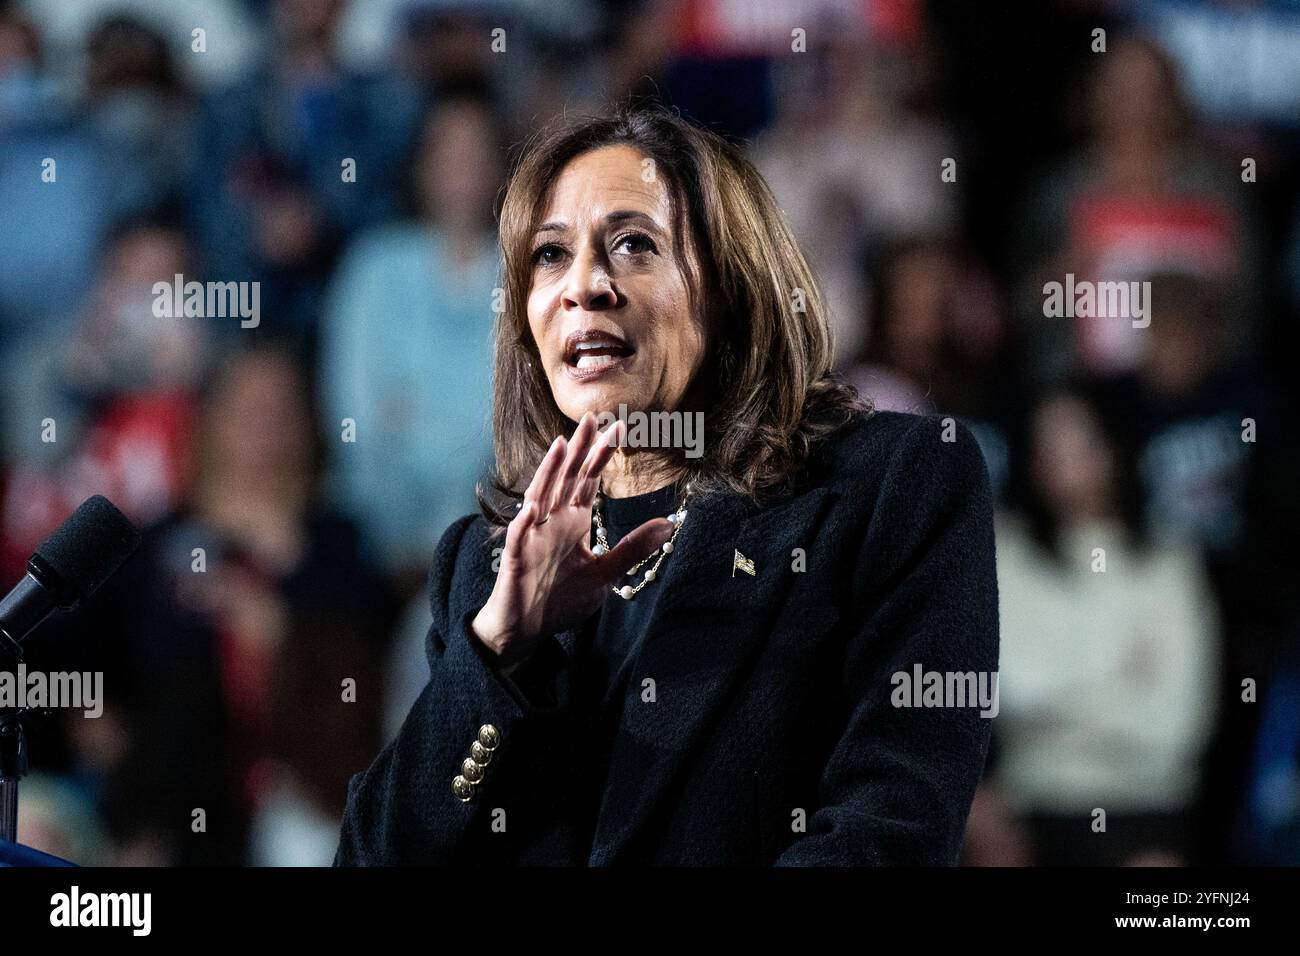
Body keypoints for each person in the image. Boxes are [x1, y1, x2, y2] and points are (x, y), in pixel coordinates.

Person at [334, 106, 998, 866]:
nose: (585, 285)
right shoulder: (483, 570)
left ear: (731, 288)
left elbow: (889, 831)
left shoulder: (890, 487)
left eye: (633, 245)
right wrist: (495, 655)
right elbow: (376, 856)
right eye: (550, 256)